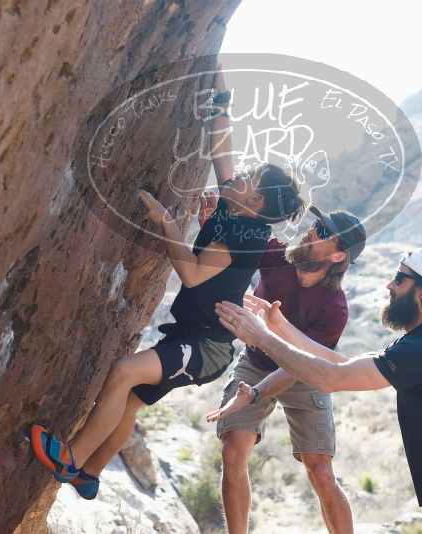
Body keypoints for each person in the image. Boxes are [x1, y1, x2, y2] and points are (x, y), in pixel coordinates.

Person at [28, 66, 306, 500]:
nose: (241, 172)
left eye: (251, 176)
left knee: (124, 372)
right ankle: (91, 474)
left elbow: (192, 275)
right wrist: (220, 88)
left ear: (255, 202)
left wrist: (166, 224)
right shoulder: (235, 207)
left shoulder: (246, 236)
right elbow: (222, 142)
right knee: (133, 397)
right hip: (195, 335)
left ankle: (70, 461)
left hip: (206, 347)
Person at [214, 246, 422, 533]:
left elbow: (331, 378)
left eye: (400, 278)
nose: (390, 285)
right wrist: (279, 327)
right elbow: (343, 363)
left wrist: (264, 338)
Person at [200, 197, 366, 534]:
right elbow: (234, 238)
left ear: (337, 256)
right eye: (315, 224)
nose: (310, 232)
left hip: (305, 372)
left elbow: (296, 368)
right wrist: (211, 222)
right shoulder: (278, 256)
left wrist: (255, 394)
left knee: (319, 470)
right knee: (233, 450)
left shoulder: (335, 308)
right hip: (257, 360)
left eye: (322, 232)